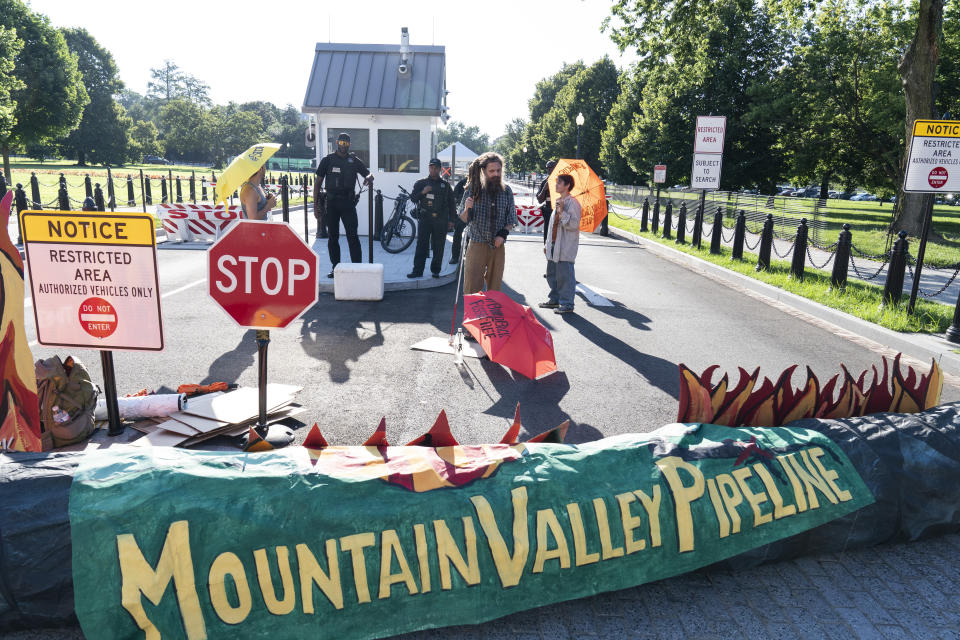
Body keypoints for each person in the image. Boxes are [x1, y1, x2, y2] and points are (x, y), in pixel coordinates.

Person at [314, 132, 373, 278]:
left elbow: (369, 174)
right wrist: (316, 206)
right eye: (341, 143)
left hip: (348, 204)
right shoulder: (327, 160)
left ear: (349, 145)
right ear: (337, 143)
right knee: (333, 237)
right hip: (332, 204)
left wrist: (368, 178)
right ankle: (336, 268)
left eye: (346, 144)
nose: (343, 146)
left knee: (353, 237)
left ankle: (357, 268)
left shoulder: (354, 160)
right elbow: (317, 184)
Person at [458, 152, 517, 293]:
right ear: (483, 171)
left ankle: (491, 315)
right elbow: (463, 219)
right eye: (492, 171)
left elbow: (511, 219)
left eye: (498, 170)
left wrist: (502, 235)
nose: (496, 174)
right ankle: (473, 315)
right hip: (477, 244)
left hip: (498, 246)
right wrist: (467, 208)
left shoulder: (506, 191)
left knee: (495, 289)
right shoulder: (473, 189)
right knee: (472, 287)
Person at [538, 173, 581, 314]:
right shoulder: (558, 201)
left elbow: (573, 225)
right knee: (552, 274)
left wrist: (562, 212)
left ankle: (567, 304)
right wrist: (547, 244)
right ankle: (554, 299)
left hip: (565, 246)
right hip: (553, 244)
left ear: (567, 185)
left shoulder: (572, 203)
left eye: (559, 182)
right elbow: (552, 226)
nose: (556, 185)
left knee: (565, 276)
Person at [408, 158, 456, 278]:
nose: (433, 170)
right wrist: (423, 192)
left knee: (438, 245)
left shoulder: (445, 185)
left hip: (441, 219)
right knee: (421, 245)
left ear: (440, 169)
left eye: (436, 168)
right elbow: (413, 198)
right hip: (425, 218)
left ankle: (436, 270)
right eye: (431, 167)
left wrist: (452, 220)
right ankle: (417, 271)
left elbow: (451, 203)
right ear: (429, 168)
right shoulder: (421, 183)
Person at [536, 160, 558, 243]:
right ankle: (547, 249)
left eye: (551, 167)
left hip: (559, 210)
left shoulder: (561, 181)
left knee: (558, 235)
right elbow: (539, 200)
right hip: (548, 211)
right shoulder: (544, 182)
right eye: (547, 168)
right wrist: (544, 189)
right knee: (547, 234)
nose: (549, 170)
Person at [449, 175, 468, 264]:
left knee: (470, 235)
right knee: (457, 233)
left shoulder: (484, 183)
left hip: (476, 214)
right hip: (462, 213)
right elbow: (454, 197)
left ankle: (468, 254)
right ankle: (455, 257)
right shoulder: (463, 182)